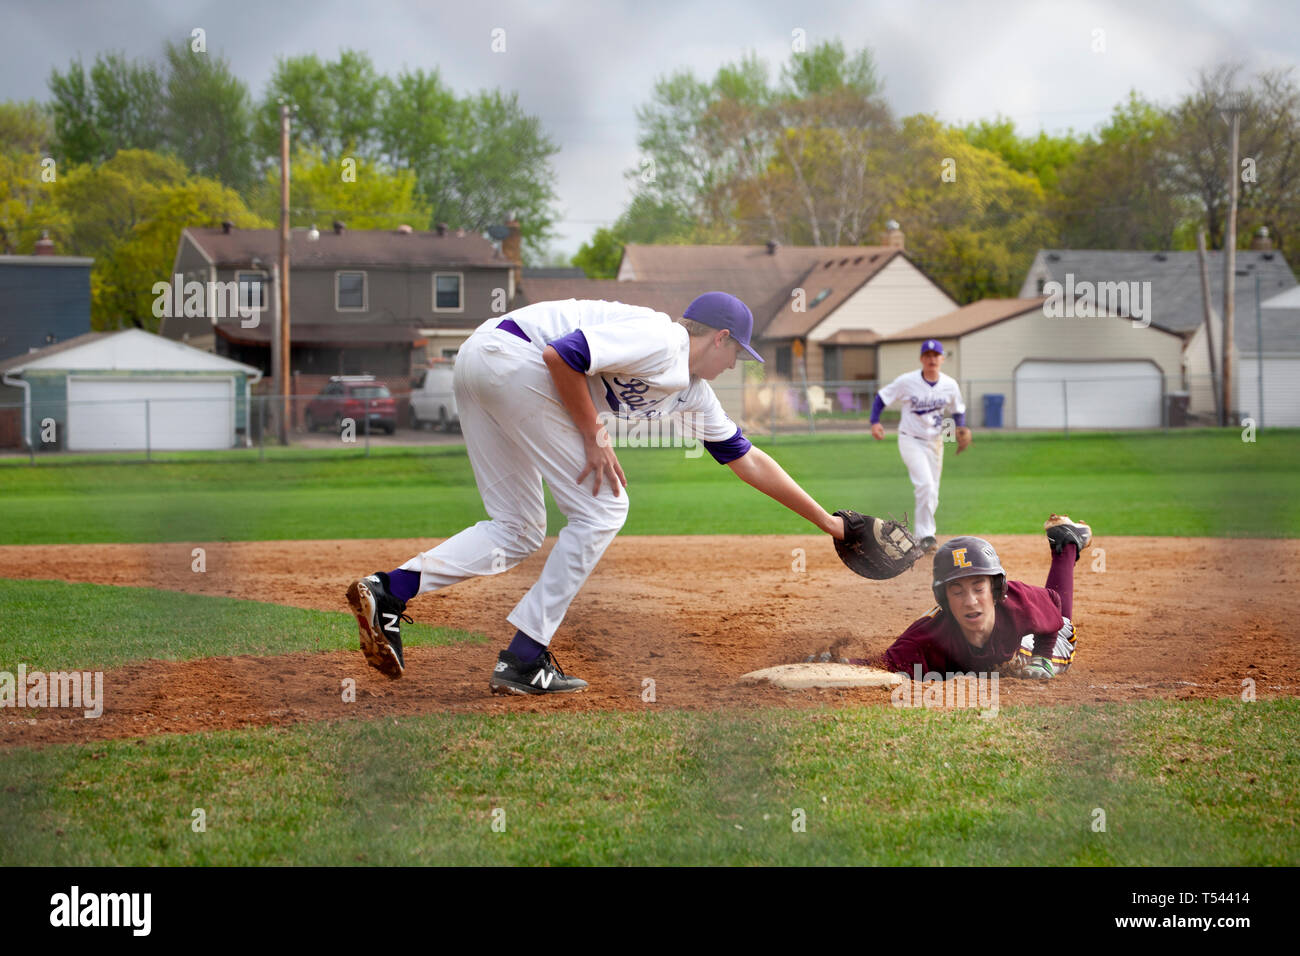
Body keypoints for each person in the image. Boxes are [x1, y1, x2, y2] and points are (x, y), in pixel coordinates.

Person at [347, 292, 852, 694]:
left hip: (485, 364)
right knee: (605, 506)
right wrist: (594, 434)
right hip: (512, 357)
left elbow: (749, 460)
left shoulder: (692, 391)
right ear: (720, 338)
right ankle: (524, 658)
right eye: (737, 353)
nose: (735, 365)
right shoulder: (663, 339)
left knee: (517, 529)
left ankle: (391, 590)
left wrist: (829, 523)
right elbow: (561, 356)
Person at [865, 515, 1091, 679]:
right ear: (943, 598)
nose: (970, 601)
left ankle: (1067, 543)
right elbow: (884, 663)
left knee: (1025, 657)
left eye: (978, 588)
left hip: (1026, 644)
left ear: (995, 590)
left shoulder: (1017, 602)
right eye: (957, 590)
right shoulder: (928, 633)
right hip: (1002, 635)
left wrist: (1042, 657)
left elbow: (1052, 605)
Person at [870, 339, 969, 552]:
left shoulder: (949, 384)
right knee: (925, 485)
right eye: (928, 355)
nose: (932, 359)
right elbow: (882, 397)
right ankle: (926, 536)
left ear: (942, 358)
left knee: (933, 492)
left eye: (936, 355)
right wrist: (875, 421)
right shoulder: (908, 381)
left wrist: (960, 427)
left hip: (935, 442)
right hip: (910, 439)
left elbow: (958, 408)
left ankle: (922, 535)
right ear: (922, 359)